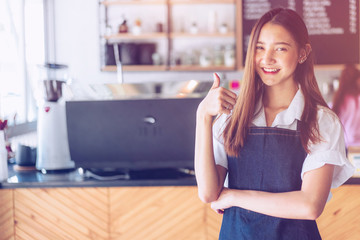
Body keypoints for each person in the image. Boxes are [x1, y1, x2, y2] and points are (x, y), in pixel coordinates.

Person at [195, 8, 355, 239]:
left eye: (280, 48)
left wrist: (233, 197)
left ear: (303, 53)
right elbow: (209, 193)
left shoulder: (321, 121)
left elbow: (309, 206)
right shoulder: (232, 118)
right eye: (260, 47)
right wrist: (203, 116)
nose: (267, 59)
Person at [332, 64, 360, 147]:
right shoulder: (357, 100)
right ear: (357, 81)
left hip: (342, 147)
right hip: (357, 147)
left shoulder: (337, 102)